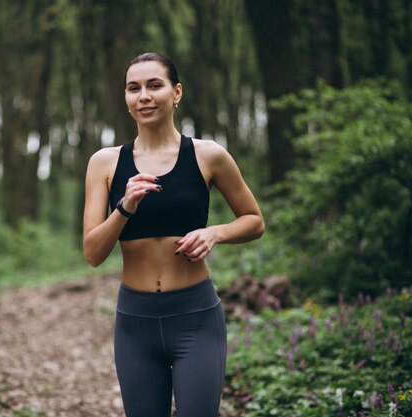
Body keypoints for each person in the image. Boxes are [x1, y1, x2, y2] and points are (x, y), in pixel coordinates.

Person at [82, 52, 264, 417]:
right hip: (135, 323)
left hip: (195, 317)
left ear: (176, 92)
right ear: (126, 99)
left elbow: (253, 220)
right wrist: (125, 206)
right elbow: (92, 252)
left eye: (155, 85)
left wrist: (215, 233)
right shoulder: (105, 162)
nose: (144, 96)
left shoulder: (208, 155)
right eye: (134, 88)